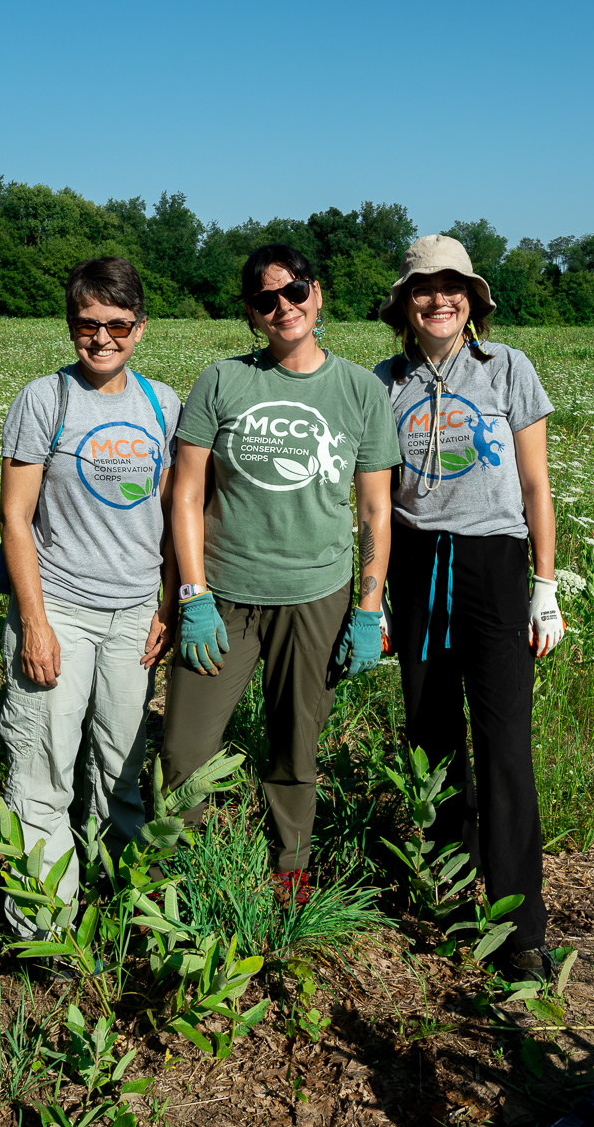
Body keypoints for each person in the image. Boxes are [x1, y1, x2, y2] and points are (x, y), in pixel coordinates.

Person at [163, 244, 400, 903]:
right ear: (252, 315)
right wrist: (193, 595)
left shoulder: (360, 390)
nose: (284, 307)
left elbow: (375, 507)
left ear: (317, 294)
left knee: (297, 745)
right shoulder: (222, 381)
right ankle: (187, 870)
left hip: (316, 596)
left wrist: (369, 607)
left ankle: (289, 865)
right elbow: (185, 493)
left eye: (294, 291)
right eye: (267, 300)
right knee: (185, 748)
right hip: (224, 595)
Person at [372, 234, 565, 982]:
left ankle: (520, 928)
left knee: (505, 746)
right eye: (424, 287)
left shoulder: (506, 368)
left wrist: (543, 588)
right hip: (418, 568)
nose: (439, 298)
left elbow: (537, 484)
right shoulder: (384, 384)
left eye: (453, 286)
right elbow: (377, 504)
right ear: (405, 303)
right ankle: (451, 895)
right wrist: (377, 595)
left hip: (493, 565)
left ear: (472, 299)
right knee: (431, 736)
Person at [0, 256, 181, 935]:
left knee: (121, 770)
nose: (102, 338)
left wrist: (168, 604)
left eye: (117, 324)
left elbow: (174, 514)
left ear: (140, 326)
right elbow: (16, 517)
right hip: (60, 610)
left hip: (135, 615)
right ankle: (44, 931)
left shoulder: (164, 404)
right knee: (43, 774)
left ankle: (123, 912)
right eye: (87, 324)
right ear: (71, 324)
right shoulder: (46, 400)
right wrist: (35, 625)